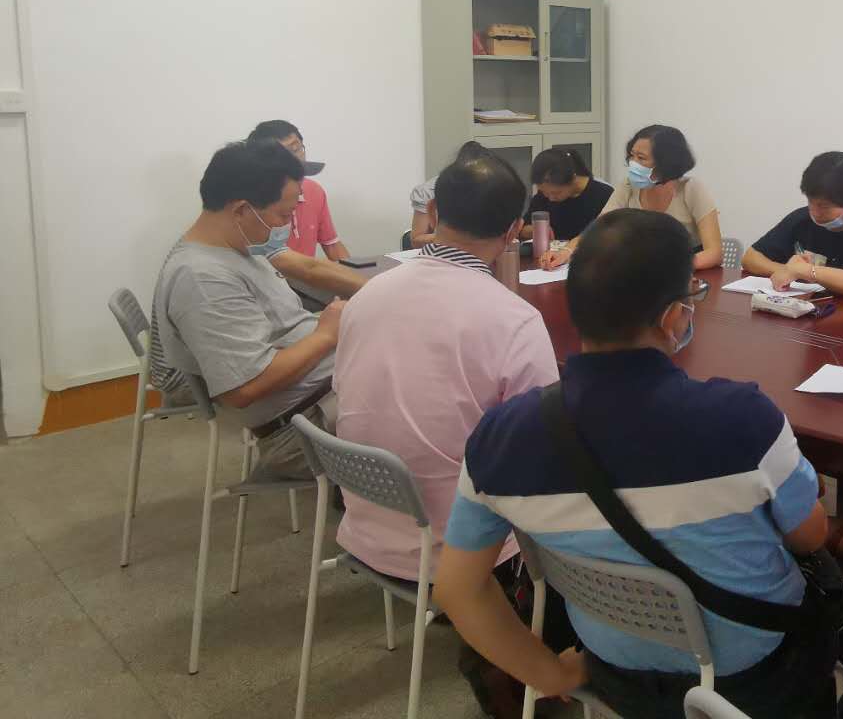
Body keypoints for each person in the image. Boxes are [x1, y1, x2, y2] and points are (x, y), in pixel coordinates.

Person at [434, 210, 836, 719]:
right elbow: (809, 537)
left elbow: (457, 589)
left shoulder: (500, 436)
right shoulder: (744, 419)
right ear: (672, 317)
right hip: (754, 678)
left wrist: (550, 675)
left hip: (613, 672)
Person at [334, 151, 558, 715]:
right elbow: (543, 451)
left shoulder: (368, 293)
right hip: (459, 548)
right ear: (513, 231)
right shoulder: (512, 318)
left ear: (433, 212)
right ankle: (523, 664)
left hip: (369, 521)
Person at [151, 141, 344, 478]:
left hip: (330, 393)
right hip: (305, 427)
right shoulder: (203, 279)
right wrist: (327, 335)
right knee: (438, 418)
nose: (288, 225)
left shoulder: (240, 249)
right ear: (241, 209)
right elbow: (245, 388)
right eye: (283, 215)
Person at [543, 125, 721, 270]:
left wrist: (673, 268)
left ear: (665, 163)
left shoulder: (691, 189)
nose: (633, 163)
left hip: (689, 274)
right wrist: (567, 251)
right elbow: (599, 226)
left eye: (641, 158)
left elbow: (714, 253)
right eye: (632, 156)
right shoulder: (628, 186)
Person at [742, 151, 843, 299]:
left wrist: (805, 271)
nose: (814, 212)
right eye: (810, 202)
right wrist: (789, 271)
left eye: (824, 206)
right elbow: (751, 258)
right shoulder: (801, 219)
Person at [247, 121, 367, 299]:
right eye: (284, 153)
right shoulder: (252, 201)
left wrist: (358, 280)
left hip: (306, 285)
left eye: (297, 149)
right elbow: (280, 263)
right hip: (268, 290)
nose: (296, 158)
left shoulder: (314, 191)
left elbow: (332, 245)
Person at [523, 147, 612, 258]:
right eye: (544, 193)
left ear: (573, 179)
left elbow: (609, 236)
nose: (550, 199)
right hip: (549, 259)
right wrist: (537, 230)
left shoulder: (604, 195)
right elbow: (522, 229)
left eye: (556, 193)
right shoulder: (544, 196)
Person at [410, 141, 494, 248]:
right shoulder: (427, 191)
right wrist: (453, 236)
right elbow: (417, 240)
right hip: (442, 251)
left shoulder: (492, 187)